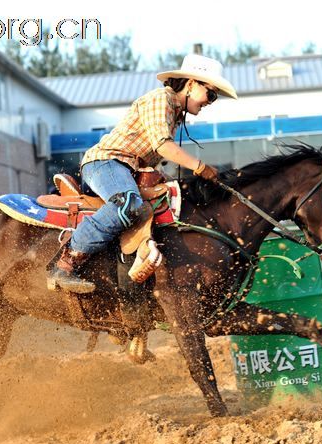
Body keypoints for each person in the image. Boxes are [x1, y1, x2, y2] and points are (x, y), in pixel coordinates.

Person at [47, 54, 238, 293]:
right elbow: (162, 145)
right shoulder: (162, 99)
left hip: (125, 168)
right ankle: (65, 264)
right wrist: (200, 166)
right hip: (106, 162)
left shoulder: (173, 112)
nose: (211, 100)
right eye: (211, 94)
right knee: (126, 203)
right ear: (191, 84)